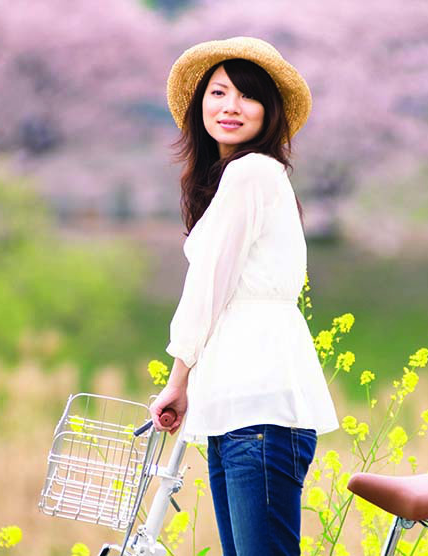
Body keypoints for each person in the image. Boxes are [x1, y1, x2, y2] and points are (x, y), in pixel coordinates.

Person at [149, 36, 339, 555]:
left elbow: (208, 284)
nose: (230, 107)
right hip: (238, 407)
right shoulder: (238, 177)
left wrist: (177, 379)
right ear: (199, 104)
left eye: (247, 96)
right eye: (217, 92)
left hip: (258, 410)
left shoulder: (252, 172)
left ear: (269, 111)